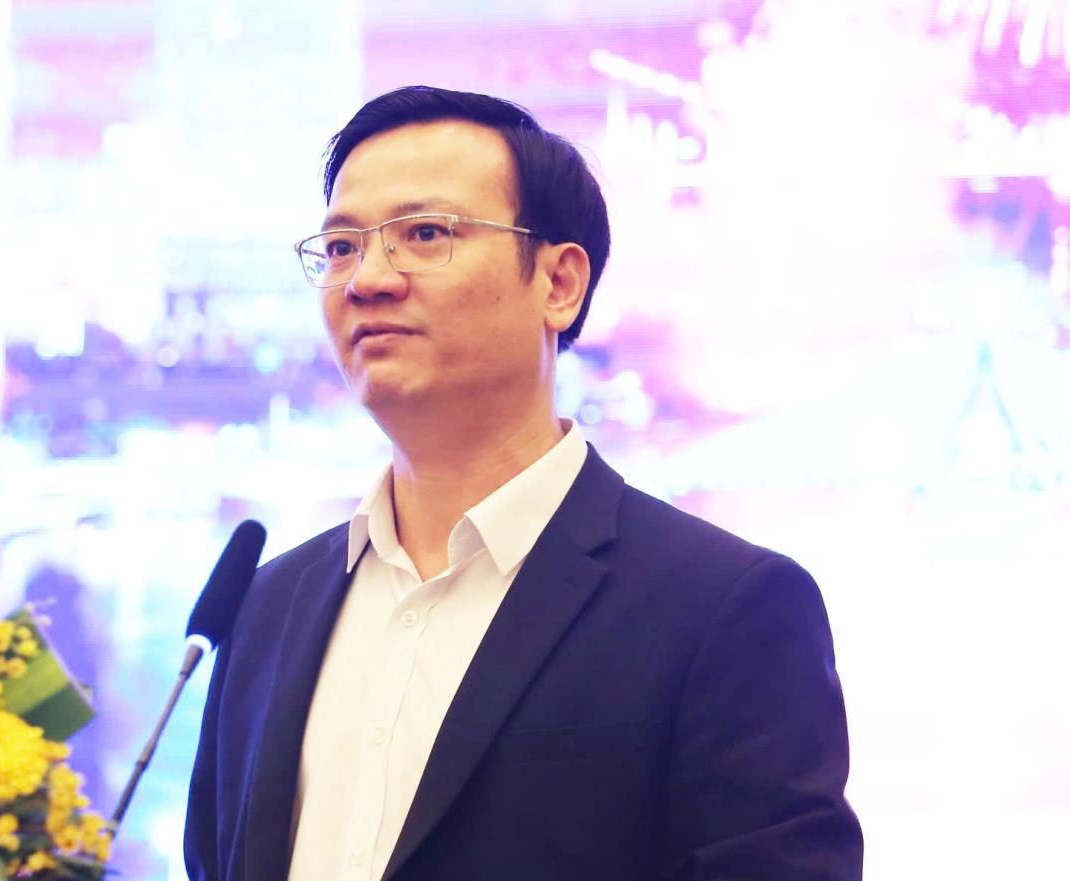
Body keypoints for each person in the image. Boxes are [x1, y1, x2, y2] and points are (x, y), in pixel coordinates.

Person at [184, 85, 862, 881]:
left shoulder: (725, 609)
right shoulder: (267, 607)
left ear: (559, 283)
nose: (367, 279)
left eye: (425, 233)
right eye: (340, 247)